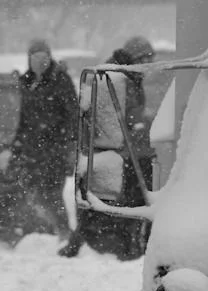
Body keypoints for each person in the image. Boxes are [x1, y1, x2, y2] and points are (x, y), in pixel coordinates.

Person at [61, 36, 156, 258]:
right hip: (120, 151)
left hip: (121, 149)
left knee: (120, 199)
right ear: (137, 58)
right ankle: (129, 246)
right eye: (147, 59)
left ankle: (129, 244)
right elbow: (117, 118)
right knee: (131, 198)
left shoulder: (124, 74)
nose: (149, 65)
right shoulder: (115, 78)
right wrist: (142, 125)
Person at [9, 38, 79, 245]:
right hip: (31, 151)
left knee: (52, 193)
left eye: (43, 56)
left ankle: (63, 233)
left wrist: (69, 144)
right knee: (32, 195)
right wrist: (16, 146)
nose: (40, 61)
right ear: (29, 59)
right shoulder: (26, 83)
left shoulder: (60, 80)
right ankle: (42, 233)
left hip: (54, 150)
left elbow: (72, 114)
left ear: (49, 57)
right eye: (35, 57)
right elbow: (21, 118)